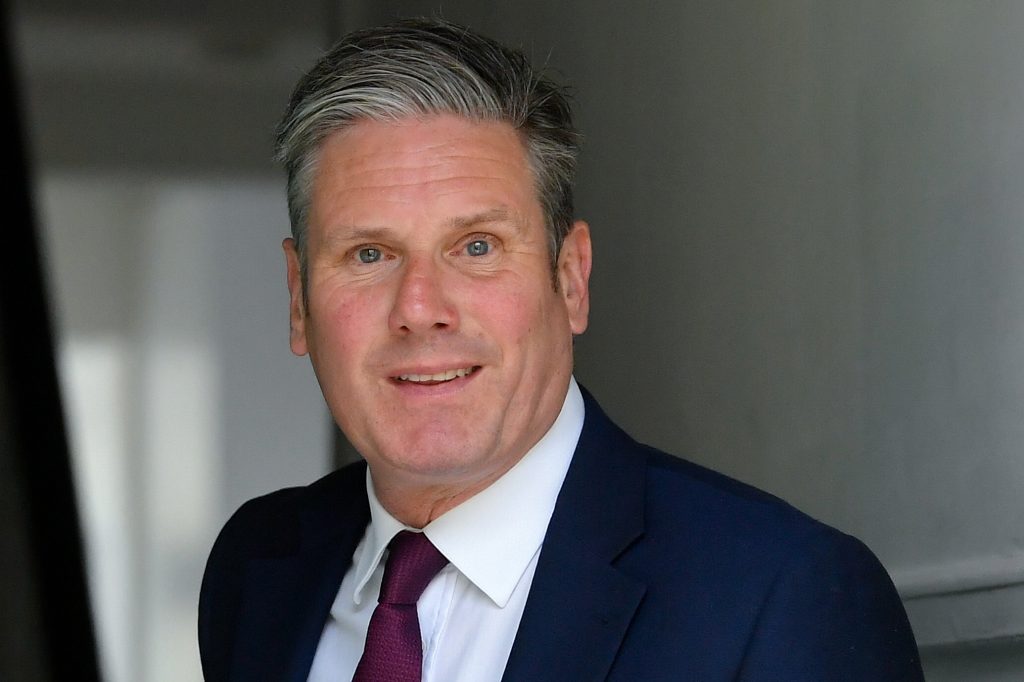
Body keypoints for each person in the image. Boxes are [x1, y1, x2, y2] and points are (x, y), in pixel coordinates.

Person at [198, 18, 923, 681]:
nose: (419, 309)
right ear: (299, 300)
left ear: (571, 279)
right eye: (368, 254)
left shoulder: (782, 595)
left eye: (477, 246)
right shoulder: (259, 569)